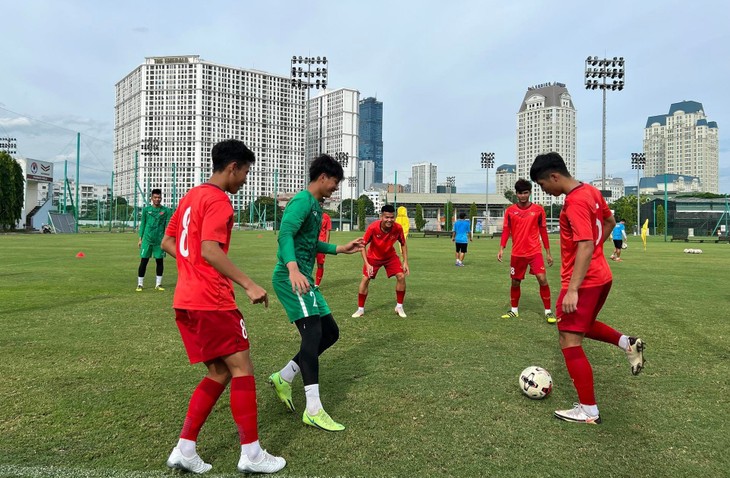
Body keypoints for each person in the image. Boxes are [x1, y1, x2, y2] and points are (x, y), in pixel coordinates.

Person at [160, 139, 285, 474]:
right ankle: (252, 455)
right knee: (243, 368)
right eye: (245, 172)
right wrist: (249, 284)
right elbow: (211, 250)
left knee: (220, 372)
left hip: (185, 301)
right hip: (212, 301)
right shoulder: (218, 201)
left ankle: (184, 449)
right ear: (233, 167)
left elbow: (168, 241)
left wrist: (190, 265)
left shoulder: (190, 197)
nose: (244, 179)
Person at [530, 152, 646, 425]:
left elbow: (583, 243)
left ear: (554, 176)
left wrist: (572, 289)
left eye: (543, 185)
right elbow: (608, 223)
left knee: (569, 340)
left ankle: (588, 410)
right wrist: (595, 250)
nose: (544, 190)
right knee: (581, 324)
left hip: (584, 281)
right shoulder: (591, 191)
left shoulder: (575, 203)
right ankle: (626, 343)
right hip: (600, 276)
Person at [268, 154, 364, 432]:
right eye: (335, 182)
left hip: (304, 278)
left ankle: (284, 377)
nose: (336, 188)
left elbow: (310, 243)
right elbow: (284, 235)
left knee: (330, 333)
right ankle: (313, 409)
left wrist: (339, 249)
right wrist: (293, 268)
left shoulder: (315, 208)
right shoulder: (301, 201)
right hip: (291, 278)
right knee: (312, 335)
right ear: (323, 177)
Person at [497, 179, 556, 324]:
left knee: (542, 279)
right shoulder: (510, 211)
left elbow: (543, 230)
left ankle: (548, 312)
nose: (523, 196)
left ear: (529, 193)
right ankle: (514, 310)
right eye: (520, 193)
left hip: (534, 252)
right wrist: (501, 248)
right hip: (517, 253)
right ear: (516, 194)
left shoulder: (538, 210)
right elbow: (506, 230)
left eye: (525, 193)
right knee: (515, 282)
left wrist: (548, 252)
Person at [351, 204, 409, 318]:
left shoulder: (398, 228)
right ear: (381, 217)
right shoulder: (373, 228)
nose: (389, 220)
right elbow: (362, 246)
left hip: (390, 256)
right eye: (386, 217)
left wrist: (405, 261)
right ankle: (360, 309)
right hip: (373, 257)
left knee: (401, 276)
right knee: (365, 278)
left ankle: (399, 306)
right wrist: (367, 264)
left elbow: (403, 244)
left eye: (392, 217)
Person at [136, 188, 171, 291]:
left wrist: (166, 239)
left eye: (159, 197)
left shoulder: (166, 211)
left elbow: (168, 226)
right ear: (151, 198)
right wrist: (140, 239)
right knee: (144, 261)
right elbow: (143, 224)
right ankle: (140, 284)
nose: (157, 199)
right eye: (155, 197)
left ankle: (158, 284)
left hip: (159, 240)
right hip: (147, 240)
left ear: (161, 198)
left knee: (159, 261)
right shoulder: (146, 210)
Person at [314, 201, 332, 286]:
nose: (320, 205)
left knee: (320, 264)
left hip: (321, 244)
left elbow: (328, 231)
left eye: (321, 204)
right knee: (307, 263)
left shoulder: (326, 217)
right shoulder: (311, 215)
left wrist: (326, 246)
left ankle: (316, 285)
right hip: (311, 243)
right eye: (318, 203)